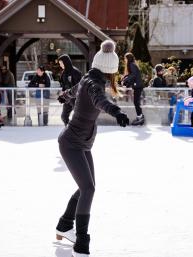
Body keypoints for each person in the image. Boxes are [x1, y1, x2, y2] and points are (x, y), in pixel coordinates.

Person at [53, 40, 131, 257]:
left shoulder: (88, 78)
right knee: (88, 188)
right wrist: (117, 112)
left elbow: (72, 91)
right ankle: (81, 240)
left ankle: (64, 225)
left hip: (83, 143)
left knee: (86, 187)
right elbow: (100, 102)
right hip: (71, 143)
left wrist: (64, 96)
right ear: (110, 70)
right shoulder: (94, 84)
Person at [121, 53, 146, 126]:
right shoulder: (132, 65)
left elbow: (133, 75)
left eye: (125, 59)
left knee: (136, 102)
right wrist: (125, 79)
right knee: (136, 102)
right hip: (137, 85)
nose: (125, 60)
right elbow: (132, 75)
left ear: (128, 59)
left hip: (138, 86)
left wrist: (125, 80)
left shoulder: (131, 65)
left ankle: (140, 117)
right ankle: (140, 116)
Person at [57, 55, 82, 126]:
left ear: (65, 62)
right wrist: (62, 96)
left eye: (61, 63)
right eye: (59, 63)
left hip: (76, 99)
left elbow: (79, 87)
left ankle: (77, 131)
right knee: (64, 117)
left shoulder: (76, 72)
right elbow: (64, 86)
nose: (60, 65)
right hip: (67, 98)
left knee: (78, 117)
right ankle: (68, 130)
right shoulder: (63, 73)